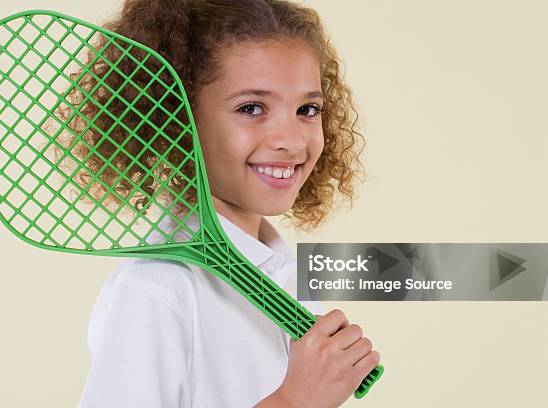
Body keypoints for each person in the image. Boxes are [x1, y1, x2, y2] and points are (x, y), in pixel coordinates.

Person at [73, 0, 380, 406]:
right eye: (251, 108)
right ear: (177, 120)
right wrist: (294, 400)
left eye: (308, 109)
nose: (290, 140)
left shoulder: (281, 271)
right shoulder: (155, 291)